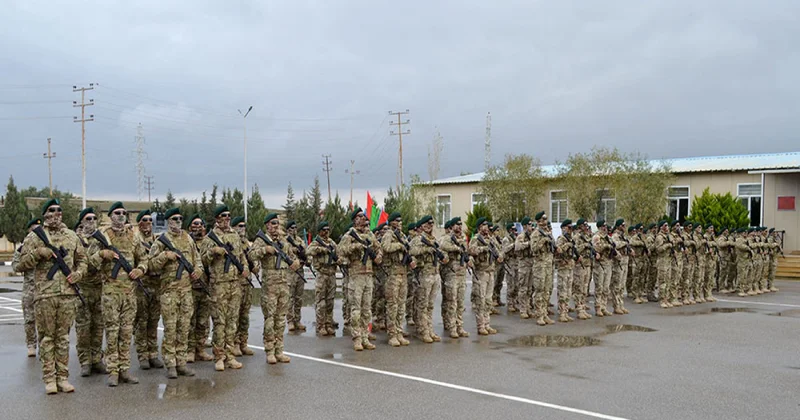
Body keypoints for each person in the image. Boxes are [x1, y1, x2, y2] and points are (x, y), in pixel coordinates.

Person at [17, 199, 87, 394]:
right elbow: (20, 265)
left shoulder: (71, 236)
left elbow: (83, 260)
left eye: (59, 210)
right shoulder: (34, 237)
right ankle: (49, 379)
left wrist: (78, 274)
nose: (57, 213)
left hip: (67, 294)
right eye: (52, 210)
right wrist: (38, 253)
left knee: (63, 338)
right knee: (47, 338)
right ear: (45, 214)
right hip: (45, 295)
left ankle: (63, 378)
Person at [148, 208, 203, 379]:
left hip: (186, 291)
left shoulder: (188, 238)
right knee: (171, 329)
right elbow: (150, 265)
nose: (178, 221)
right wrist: (165, 256)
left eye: (180, 218)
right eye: (174, 218)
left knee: (184, 328)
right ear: (168, 221)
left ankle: (181, 362)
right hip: (169, 292)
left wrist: (198, 271)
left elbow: (197, 259)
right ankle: (170, 364)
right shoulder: (161, 241)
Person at [200, 205, 250, 371]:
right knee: (220, 323)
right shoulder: (209, 238)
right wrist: (213, 252)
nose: (227, 218)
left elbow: (241, 256)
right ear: (217, 219)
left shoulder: (234, 236)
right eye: (224, 216)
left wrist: (245, 268)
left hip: (235, 285)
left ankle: (230, 356)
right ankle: (219, 357)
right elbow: (202, 261)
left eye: (229, 215)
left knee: (232, 322)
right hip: (219, 285)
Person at [249, 213, 299, 363]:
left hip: (284, 284)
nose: (276, 226)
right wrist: (265, 250)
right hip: (270, 285)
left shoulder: (283, 241)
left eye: (277, 223)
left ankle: (279, 350)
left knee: (281, 319)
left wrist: (295, 263)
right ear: (267, 225)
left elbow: (292, 256)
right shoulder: (261, 240)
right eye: (273, 223)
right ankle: (270, 351)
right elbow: (251, 255)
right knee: (270, 319)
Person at [337, 208, 383, 351]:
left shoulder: (369, 234)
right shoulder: (349, 235)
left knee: (367, 310)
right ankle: (357, 338)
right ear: (354, 220)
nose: (362, 218)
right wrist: (355, 246)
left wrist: (378, 256)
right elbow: (340, 251)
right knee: (356, 310)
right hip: (356, 275)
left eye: (363, 216)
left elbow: (379, 247)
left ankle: (365, 337)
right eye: (359, 216)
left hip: (368, 275)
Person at [74, 208, 106, 377]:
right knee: (83, 328)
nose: (92, 221)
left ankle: (96, 359)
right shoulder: (76, 240)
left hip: (99, 288)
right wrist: (100, 255)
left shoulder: (102, 239)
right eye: (88, 218)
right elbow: (83, 263)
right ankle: (85, 361)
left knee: (98, 326)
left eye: (94, 218)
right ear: (82, 222)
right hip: (82, 289)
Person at [133, 209, 164, 370]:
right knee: (141, 322)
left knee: (153, 321)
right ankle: (143, 355)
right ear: (139, 223)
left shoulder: (157, 240)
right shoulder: (134, 240)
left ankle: (153, 354)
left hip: (156, 286)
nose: (148, 224)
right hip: (141, 286)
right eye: (145, 220)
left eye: (150, 221)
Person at [409, 215, 446, 343]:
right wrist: (427, 249)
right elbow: (412, 251)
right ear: (422, 226)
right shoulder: (418, 239)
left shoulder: (433, 240)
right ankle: (422, 330)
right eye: (427, 224)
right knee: (422, 305)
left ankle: (429, 329)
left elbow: (441, 252)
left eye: (431, 224)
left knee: (430, 306)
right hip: (424, 275)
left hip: (435, 274)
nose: (430, 226)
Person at [380, 213, 415, 346]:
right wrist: (399, 246)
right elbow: (386, 247)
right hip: (392, 274)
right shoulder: (389, 234)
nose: (400, 223)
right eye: (397, 221)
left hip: (403, 273)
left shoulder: (402, 236)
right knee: (392, 305)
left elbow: (409, 250)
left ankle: (399, 332)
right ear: (392, 222)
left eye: (401, 220)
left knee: (401, 305)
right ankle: (392, 334)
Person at [12, 217, 43, 358]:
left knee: (44, 319)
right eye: (34, 229)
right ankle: (31, 345)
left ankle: (44, 345)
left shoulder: (46, 245)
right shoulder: (22, 248)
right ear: (29, 231)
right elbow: (15, 266)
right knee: (29, 319)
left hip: (44, 287)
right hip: (29, 288)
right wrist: (29, 260)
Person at [186, 215, 213, 363]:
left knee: (202, 321)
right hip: (190, 287)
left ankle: (200, 349)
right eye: (195, 224)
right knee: (190, 321)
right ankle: (190, 350)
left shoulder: (208, 242)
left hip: (205, 286)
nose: (198, 226)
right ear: (190, 227)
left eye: (200, 224)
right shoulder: (186, 242)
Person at [438, 217, 471, 338]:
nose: (459, 227)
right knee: (451, 302)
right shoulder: (447, 238)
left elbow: (466, 252)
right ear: (452, 226)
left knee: (460, 303)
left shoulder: (463, 238)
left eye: (460, 224)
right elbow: (442, 245)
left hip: (461, 274)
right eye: (457, 225)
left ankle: (459, 326)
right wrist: (457, 248)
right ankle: (452, 327)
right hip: (451, 274)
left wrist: (468, 259)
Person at [307, 221, 340, 336]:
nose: (326, 232)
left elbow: (339, 253)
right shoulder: (316, 243)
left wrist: (339, 259)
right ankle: (320, 326)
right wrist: (322, 249)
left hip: (331, 274)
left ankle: (328, 324)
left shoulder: (331, 242)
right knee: (321, 302)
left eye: (328, 230)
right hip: (322, 274)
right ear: (320, 231)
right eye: (324, 230)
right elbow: (308, 251)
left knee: (330, 301)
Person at [469, 218, 500, 335]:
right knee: (480, 301)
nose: (486, 228)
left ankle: (487, 324)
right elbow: (471, 250)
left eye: (487, 225)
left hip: (490, 272)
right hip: (481, 273)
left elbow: (497, 250)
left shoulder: (490, 239)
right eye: (483, 225)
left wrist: (498, 255)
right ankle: (481, 326)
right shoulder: (476, 239)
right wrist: (483, 248)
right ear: (479, 227)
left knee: (488, 300)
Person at [232, 216, 256, 356]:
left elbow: (252, 258)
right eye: (239, 226)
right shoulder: (232, 242)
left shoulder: (247, 243)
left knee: (245, 316)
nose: (242, 229)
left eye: (243, 226)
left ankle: (243, 343)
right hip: (236, 283)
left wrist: (255, 266)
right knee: (235, 315)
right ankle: (235, 343)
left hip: (247, 282)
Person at [531, 212, 555, 325]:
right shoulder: (536, 234)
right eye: (543, 219)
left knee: (547, 291)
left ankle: (545, 314)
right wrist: (542, 241)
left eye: (546, 219)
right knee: (539, 291)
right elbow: (533, 249)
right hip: (539, 266)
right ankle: (539, 315)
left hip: (548, 265)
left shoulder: (548, 233)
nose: (545, 221)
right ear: (538, 221)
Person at [285, 220, 308, 332]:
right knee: (290, 298)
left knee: (298, 298)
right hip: (290, 272)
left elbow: (306, 253)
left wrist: (306, 259)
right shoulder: (285, 241)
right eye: (292, 228)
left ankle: (297, 320)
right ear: (288, 229)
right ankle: (290, 321)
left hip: (300, 271)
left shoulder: (299, 241)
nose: (294, 230)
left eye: (295, 228)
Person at [555, 219, 576, 322]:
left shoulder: (570, 239)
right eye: (569, 228)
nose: (570, 230)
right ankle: (562, 313)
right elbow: (558, 251)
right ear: (564, 228)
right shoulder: (561, 239)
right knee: (562, 291)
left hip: (569, 267)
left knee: (568, 292)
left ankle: (566, 311)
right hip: (563, 268)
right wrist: (567, 245)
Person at [571, 219, 592, 319]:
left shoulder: (586, 237)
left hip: (587, 264)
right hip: (579, 266)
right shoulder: (576, 237)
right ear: (580, 226)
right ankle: (579, 309)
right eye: (584, 225)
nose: (586, 227)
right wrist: (584, 245)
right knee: (578, 288)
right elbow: (574, 250)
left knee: (584, 288)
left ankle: (583, 307)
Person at [591, 219, 613, 316]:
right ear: (600, 227)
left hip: (608, 263)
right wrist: (606, 246)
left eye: (606, 226)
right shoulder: (597, 237)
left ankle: (604, 307)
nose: (605, 228)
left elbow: (613, 247)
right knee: (599, 287)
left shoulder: (608, 237)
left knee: (606, 288)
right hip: (599, 265)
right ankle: (598, 307)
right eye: (604, 226)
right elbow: (596, 248)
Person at [609, 219, 630, 315]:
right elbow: (615, 245)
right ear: (618, 226)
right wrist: (625, 243)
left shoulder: (623, 236)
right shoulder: (615, 236)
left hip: (625, 262)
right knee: (616, 286)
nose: (624, 227)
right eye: (622, 225)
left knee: (622, 286)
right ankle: (616, 306)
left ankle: (621, 305)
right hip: (618, 264)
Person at [514, 217, 534, 319]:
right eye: (529, 225)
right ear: (525, 226)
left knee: (529, 289)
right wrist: (528, 244)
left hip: (531, 263)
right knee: (523, 288)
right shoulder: (521, 236)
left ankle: (528, 307)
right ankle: (522, 309)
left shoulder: (532, 236)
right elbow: (517, 247)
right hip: (523, 264)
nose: (531, 227)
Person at [372, 223, 389, 331]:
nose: (386, 231)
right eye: (384, 229)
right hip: (379, 272)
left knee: (389, 298)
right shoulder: (377, 243)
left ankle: (388, 320)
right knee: (380, 297)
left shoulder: (391, 240)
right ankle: (379, 318)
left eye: (387, 229)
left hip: (389, 272)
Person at [405, 222, 419, 327]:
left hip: (417, 271)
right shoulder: (407, 242)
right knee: (410, 295)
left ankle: (415, 315)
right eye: (413, 230)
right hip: (408, 272)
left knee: (416, 295)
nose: (415, 232)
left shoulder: (418, 241)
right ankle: (409, 316)